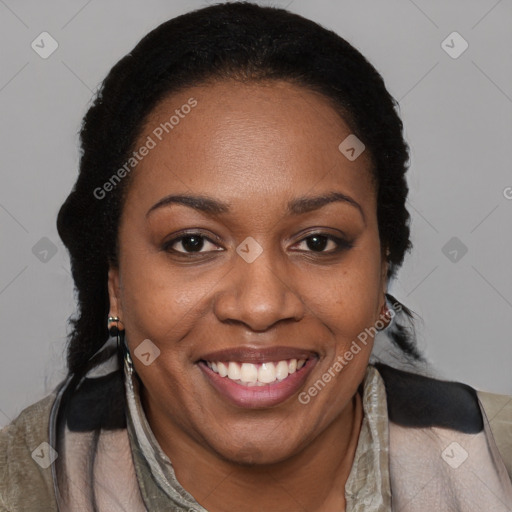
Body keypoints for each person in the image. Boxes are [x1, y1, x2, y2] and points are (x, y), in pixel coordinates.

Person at [1, 2, 511, 511]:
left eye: (317, 242)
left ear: (382, 272)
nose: (261, 306)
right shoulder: (21, 488)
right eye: (193, 242)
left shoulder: (497, 466)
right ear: (115, 282)